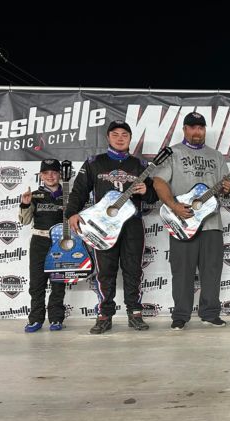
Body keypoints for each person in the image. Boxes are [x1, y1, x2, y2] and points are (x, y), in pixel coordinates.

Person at [66, 120, 158, 334]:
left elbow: (153, 197)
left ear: (130, 138)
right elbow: (79, 190)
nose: (119, 138)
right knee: (105, 272)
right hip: (103, 227)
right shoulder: (94, 162)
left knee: (133, 271)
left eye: (124, 134)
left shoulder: (140, 166)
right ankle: (104, 315)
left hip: (132, 226)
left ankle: (134, 313)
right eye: (115, 134)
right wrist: (71, 212)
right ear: (108, 137)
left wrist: (147, 191)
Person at [152, 112, 230, 331]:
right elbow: (159, 181)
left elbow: (225, 186)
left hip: (211, 224)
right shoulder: (173, 153)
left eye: (201, 127)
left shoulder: (216, 156)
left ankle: (210, 313)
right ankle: (180, 315)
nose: (197, 131)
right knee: (182, 271)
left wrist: (227, 187)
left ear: (204, 130)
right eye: (192, 127)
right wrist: (173, 206)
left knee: (212, 271)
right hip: (183, 221)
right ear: (185, 129)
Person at [19, 159, 66, 332]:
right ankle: (36, 319)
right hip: (39, 241)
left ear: (60, 174)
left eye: (54, 172)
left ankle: (56, 319)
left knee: (58, 281)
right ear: (41, 176)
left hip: (61, 243)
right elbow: (24, 221)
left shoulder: (68, 194)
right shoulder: (35, 196)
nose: (50, 176)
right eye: (46, 173)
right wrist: (25, 203)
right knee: (37, 282)